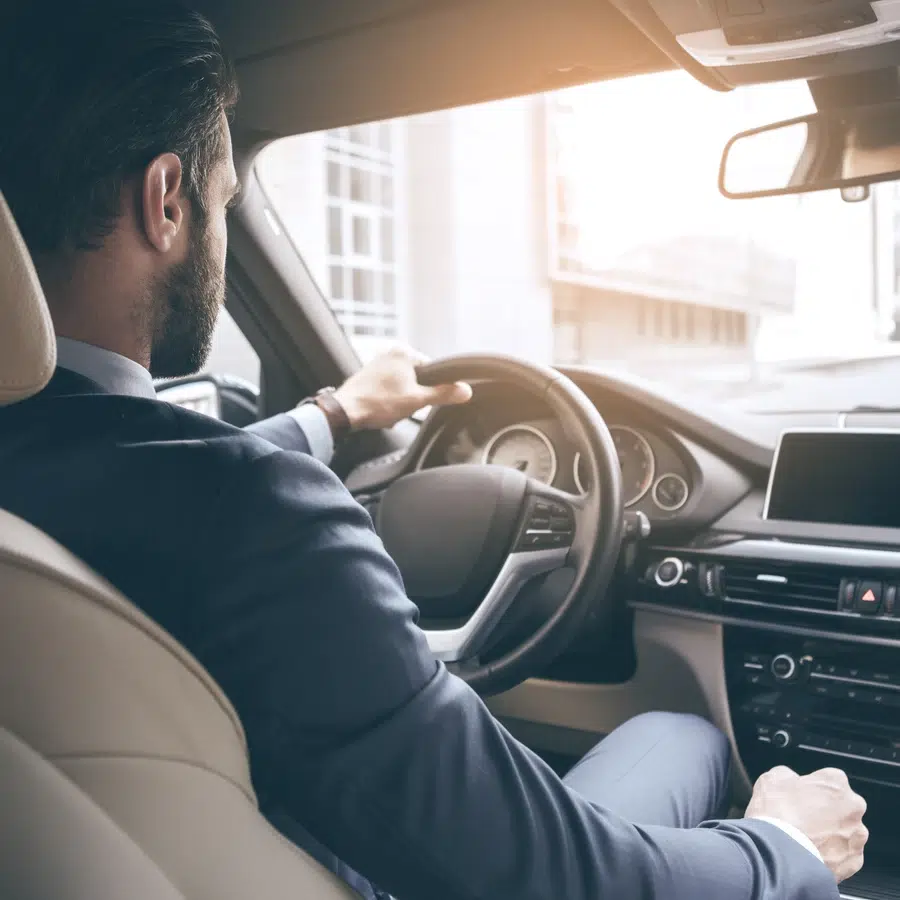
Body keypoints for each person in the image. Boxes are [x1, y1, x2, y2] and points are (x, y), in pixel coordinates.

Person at [0, 3, 867, 899]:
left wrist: (333, 416)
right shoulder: (253, 519)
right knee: (685, 737)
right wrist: (785, 848)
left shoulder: (65, 472)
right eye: (225, 201)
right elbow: (567, 879)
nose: (221, 226)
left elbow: (134, 486)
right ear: (168, 202)